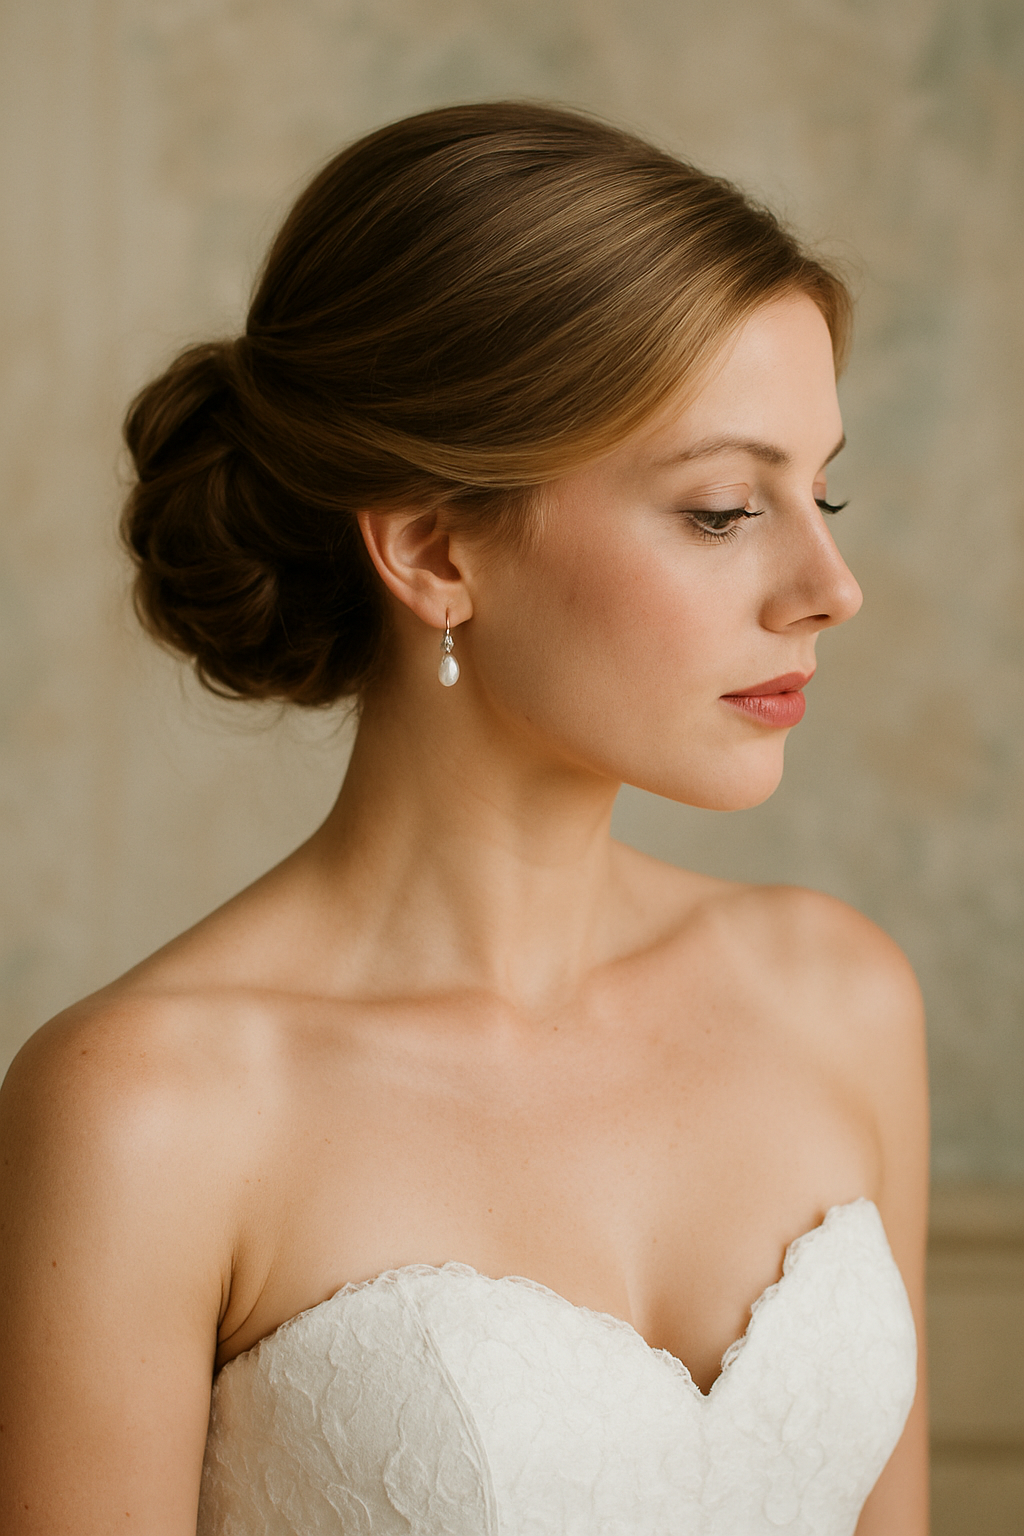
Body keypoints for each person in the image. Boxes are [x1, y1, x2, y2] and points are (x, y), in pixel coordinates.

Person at [0, 102, 929, 1534]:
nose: (829, 585)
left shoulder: (840, 999)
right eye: (726, 511)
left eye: (826, 488)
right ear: (434, 548)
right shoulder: (148, 1107)